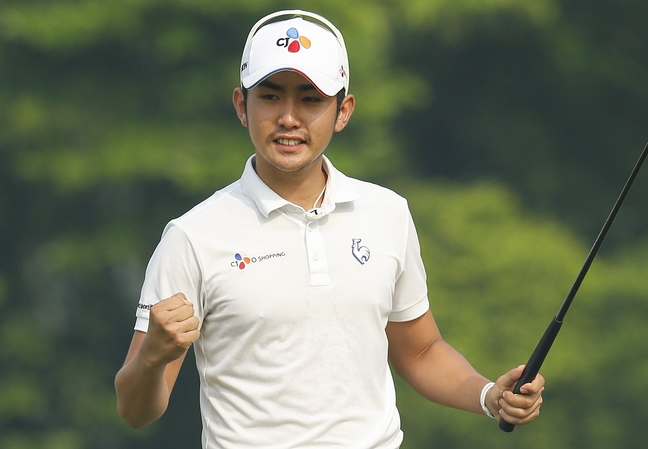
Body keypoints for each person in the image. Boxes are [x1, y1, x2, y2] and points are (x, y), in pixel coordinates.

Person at [115, 9, 544, 448]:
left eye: (311, 99)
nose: (288, 118)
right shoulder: (192, 236)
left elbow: (419, 351)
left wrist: (489, 395)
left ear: (343, 111)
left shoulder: (387, 213)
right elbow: (134, 410)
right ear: (242, 106)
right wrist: (152, 358)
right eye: (270, 96)